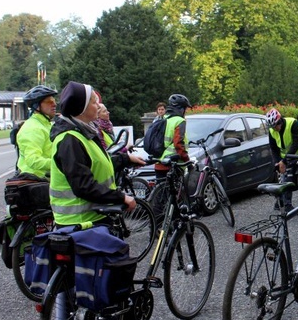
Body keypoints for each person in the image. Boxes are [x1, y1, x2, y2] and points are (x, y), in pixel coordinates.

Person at [49, 81, 146, 227]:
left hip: (92, 218)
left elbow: (97, 164)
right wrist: (121, 197)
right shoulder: (70, 140)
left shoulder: (84, 132)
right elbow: (84, 186)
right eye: (94, 102)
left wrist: (125, 159)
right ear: (81, 109)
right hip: (81, 224)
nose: (98, 106)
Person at [16, 85, 58, 178]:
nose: (54, 104)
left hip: (46, 179)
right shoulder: (33, 128)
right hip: (35, 182)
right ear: (37, 106)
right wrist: (61, 164)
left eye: (54, 101)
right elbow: (33, 160)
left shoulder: (47, 124)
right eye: (49, 102)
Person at [266, 107, 298, 212]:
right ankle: (285, 204)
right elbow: (274, 148)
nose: (275, 128)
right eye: (272, 127)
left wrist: (284, 161)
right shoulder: (272, 131)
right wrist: (278, 162)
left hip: (295, 154)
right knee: (285, 178)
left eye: (276, 125)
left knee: (290, 177)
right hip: (282, 157)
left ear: (280, 120)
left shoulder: (292, 123)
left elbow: (296, 143)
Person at [154, 94, 192, 183]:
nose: (185, 112)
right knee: (179, 193)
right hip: (172, 163)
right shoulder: (179, 121)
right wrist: (187, 160)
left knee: (161, 194)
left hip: (159, 163)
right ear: (181, 109)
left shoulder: (163, 119)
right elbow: (178, 144)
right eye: (185, 109)